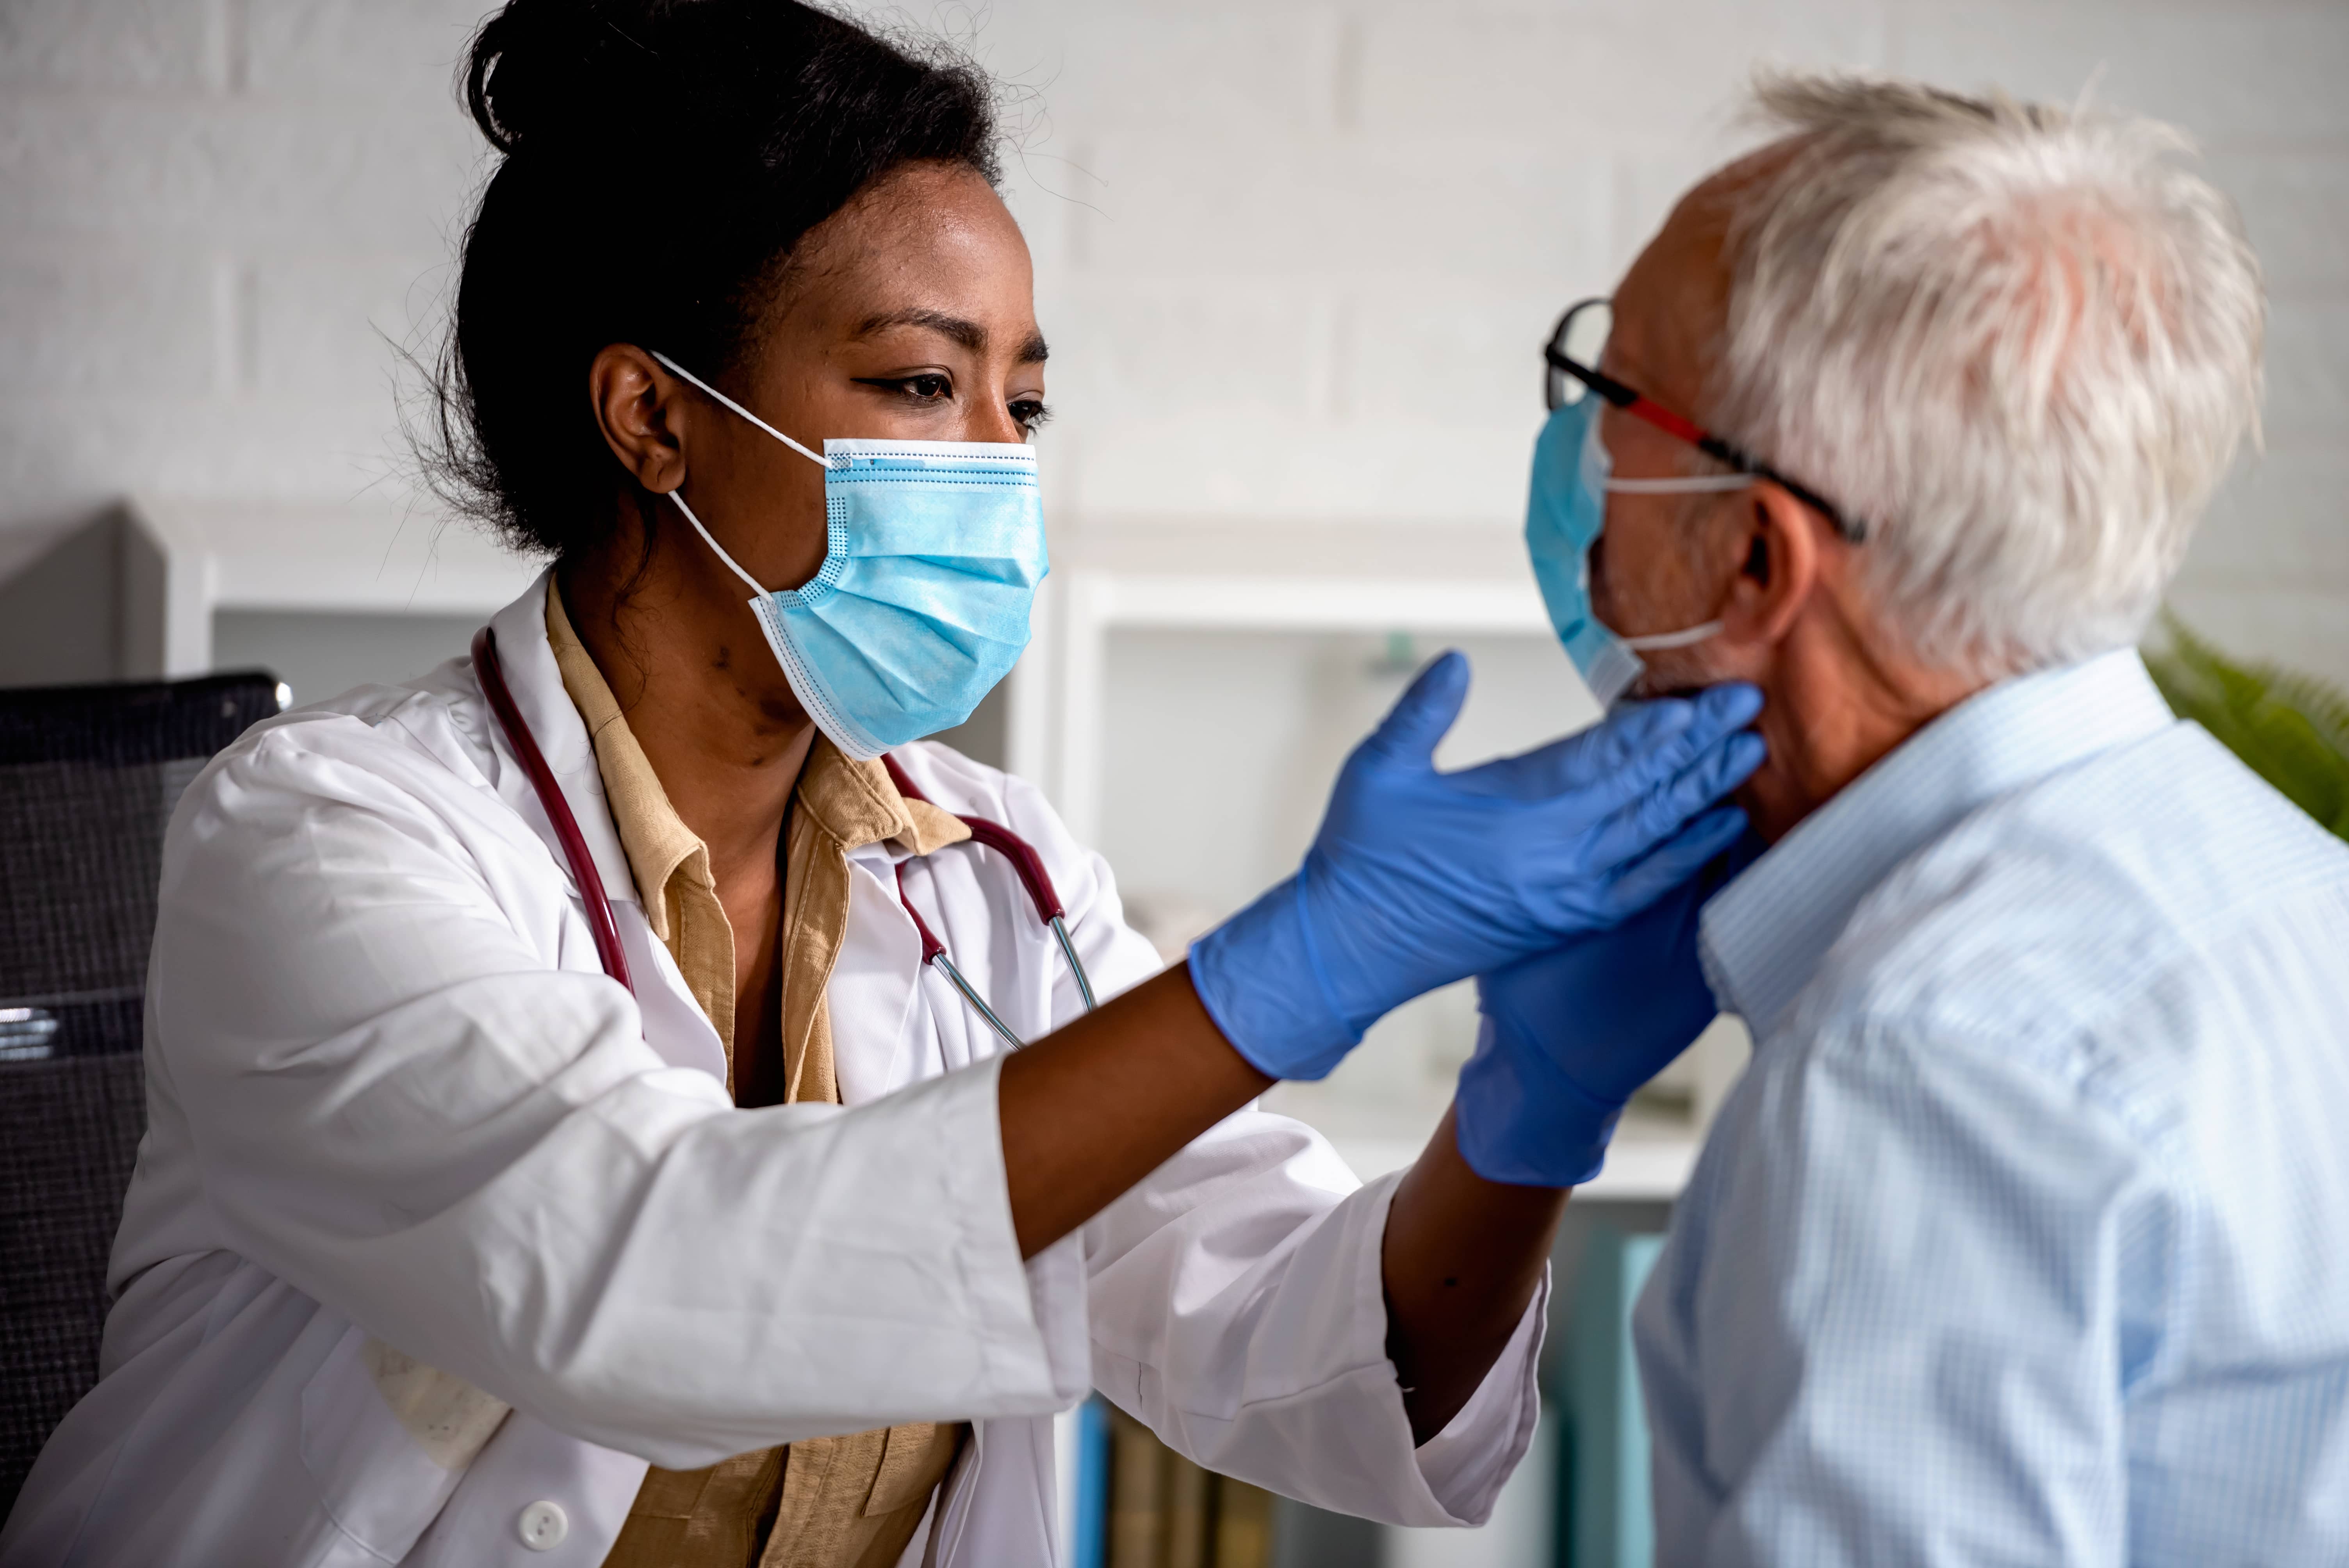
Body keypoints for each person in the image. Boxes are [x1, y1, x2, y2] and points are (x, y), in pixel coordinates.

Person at [0, 6, 1767, 1566]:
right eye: (923, 384)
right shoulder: (325, 838)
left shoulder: (991, 874)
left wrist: (1525, 1113)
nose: (999, 469)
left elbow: (1304, 1363)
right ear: (652, 417)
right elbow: (645, 1278)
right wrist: (1286, 972)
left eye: (1024, 407)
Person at [1479, 72, 2349, 1564]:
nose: (1579, 459)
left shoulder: (1925, 1067)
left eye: (1614, 399)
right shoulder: (2287, 876)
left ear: (1756, 563)